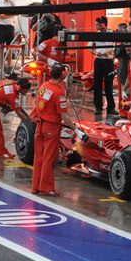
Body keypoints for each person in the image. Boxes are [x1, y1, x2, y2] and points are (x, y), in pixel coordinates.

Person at [32, 64, 87, 196]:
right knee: (49, 158)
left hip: (40, 126)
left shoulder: (43, 87)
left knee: (38, 157)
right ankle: (46, 188)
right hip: (51, 127)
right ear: (62, 76)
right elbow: (64, 115)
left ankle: (36, 187)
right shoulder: (58, 93)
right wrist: (76, 130)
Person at [0, 78, 32, 159]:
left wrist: (5, 105)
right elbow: (19, 114)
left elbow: (0, 89)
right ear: (24, 89)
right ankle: (2, 153)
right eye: (26, 91)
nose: (26, 93)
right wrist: (30, 124)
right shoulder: (13, 96)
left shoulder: (10, 82)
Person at [89, 16, 117, 118]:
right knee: (97, 85)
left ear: (103, 25)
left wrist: (111, 54)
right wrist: (97, 52)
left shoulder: (112, 34)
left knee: (109, 85)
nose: (96, 26)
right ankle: (98, 107)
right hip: (98, 61)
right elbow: (90, 48)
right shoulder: (95, 35)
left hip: (108, 62)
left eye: (97, 24)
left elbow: (116, 49)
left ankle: (111, 107)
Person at [0, 0, 15, 78]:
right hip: (1, 27)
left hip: (10, 27)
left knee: (10, 47)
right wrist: (7, 15)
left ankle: (9, 66)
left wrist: (6, 15)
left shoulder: (12, 2)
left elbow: (14, 14)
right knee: (0, 47)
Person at [113, 24, 129, 115]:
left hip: (127, 72)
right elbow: (117, 54)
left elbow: (118, 53)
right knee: (122, 95)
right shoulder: (119, 42)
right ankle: (123, 113)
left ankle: (125, 114)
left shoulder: (126, 42)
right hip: (122, 71)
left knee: (126, 95)